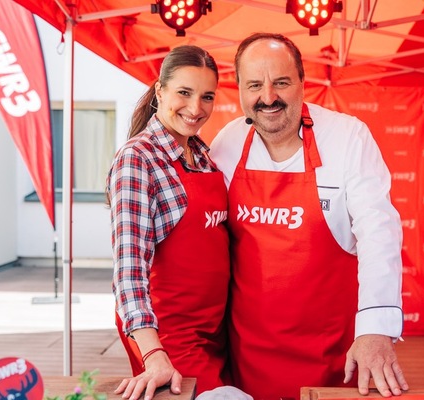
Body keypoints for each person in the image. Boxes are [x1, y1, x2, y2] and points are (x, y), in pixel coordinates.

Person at [209, 33, 408, 399]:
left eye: (281, 82)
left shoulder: (348, 137)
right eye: (254, 84)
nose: (268, 97)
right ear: (238, 88)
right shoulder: (227, 143)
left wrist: (375, 330)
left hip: (333, 357)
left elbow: (379, 232)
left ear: (303, 82)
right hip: (247, 356)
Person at [106, 45, 231, 400]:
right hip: (170, 338)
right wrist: (153, 354)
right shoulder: (138, 159)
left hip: (216, 334)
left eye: (207, 96)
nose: (196, 109)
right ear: (160, 91)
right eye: (184, 93)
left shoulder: (204, 156)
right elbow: (129, 271)